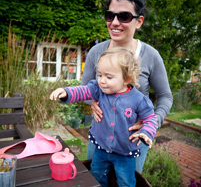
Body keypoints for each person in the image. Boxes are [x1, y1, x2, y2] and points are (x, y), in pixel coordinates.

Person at [81, 0, 173, 174]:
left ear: (138, 21)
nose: (114, 22)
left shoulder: (151, 56)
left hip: (133, 143)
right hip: (100, 140)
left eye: (123, 16)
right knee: (96, 181)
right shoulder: (96, 52)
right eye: (110, 15)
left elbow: (165, 97)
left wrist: (152, 122)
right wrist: (92, 102)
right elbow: (85, 89)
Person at [50, 47, 157, 187]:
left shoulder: (139, 100)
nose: (102, 81)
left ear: (127, 78)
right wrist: (66, 91)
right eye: (99, 75)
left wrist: (146, 132)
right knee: (96, 176)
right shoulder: (99, 90)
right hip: (101, 148)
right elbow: (83, 91)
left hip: (125, 153)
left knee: (126, 182)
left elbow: (150, 119)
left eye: (109, 77)